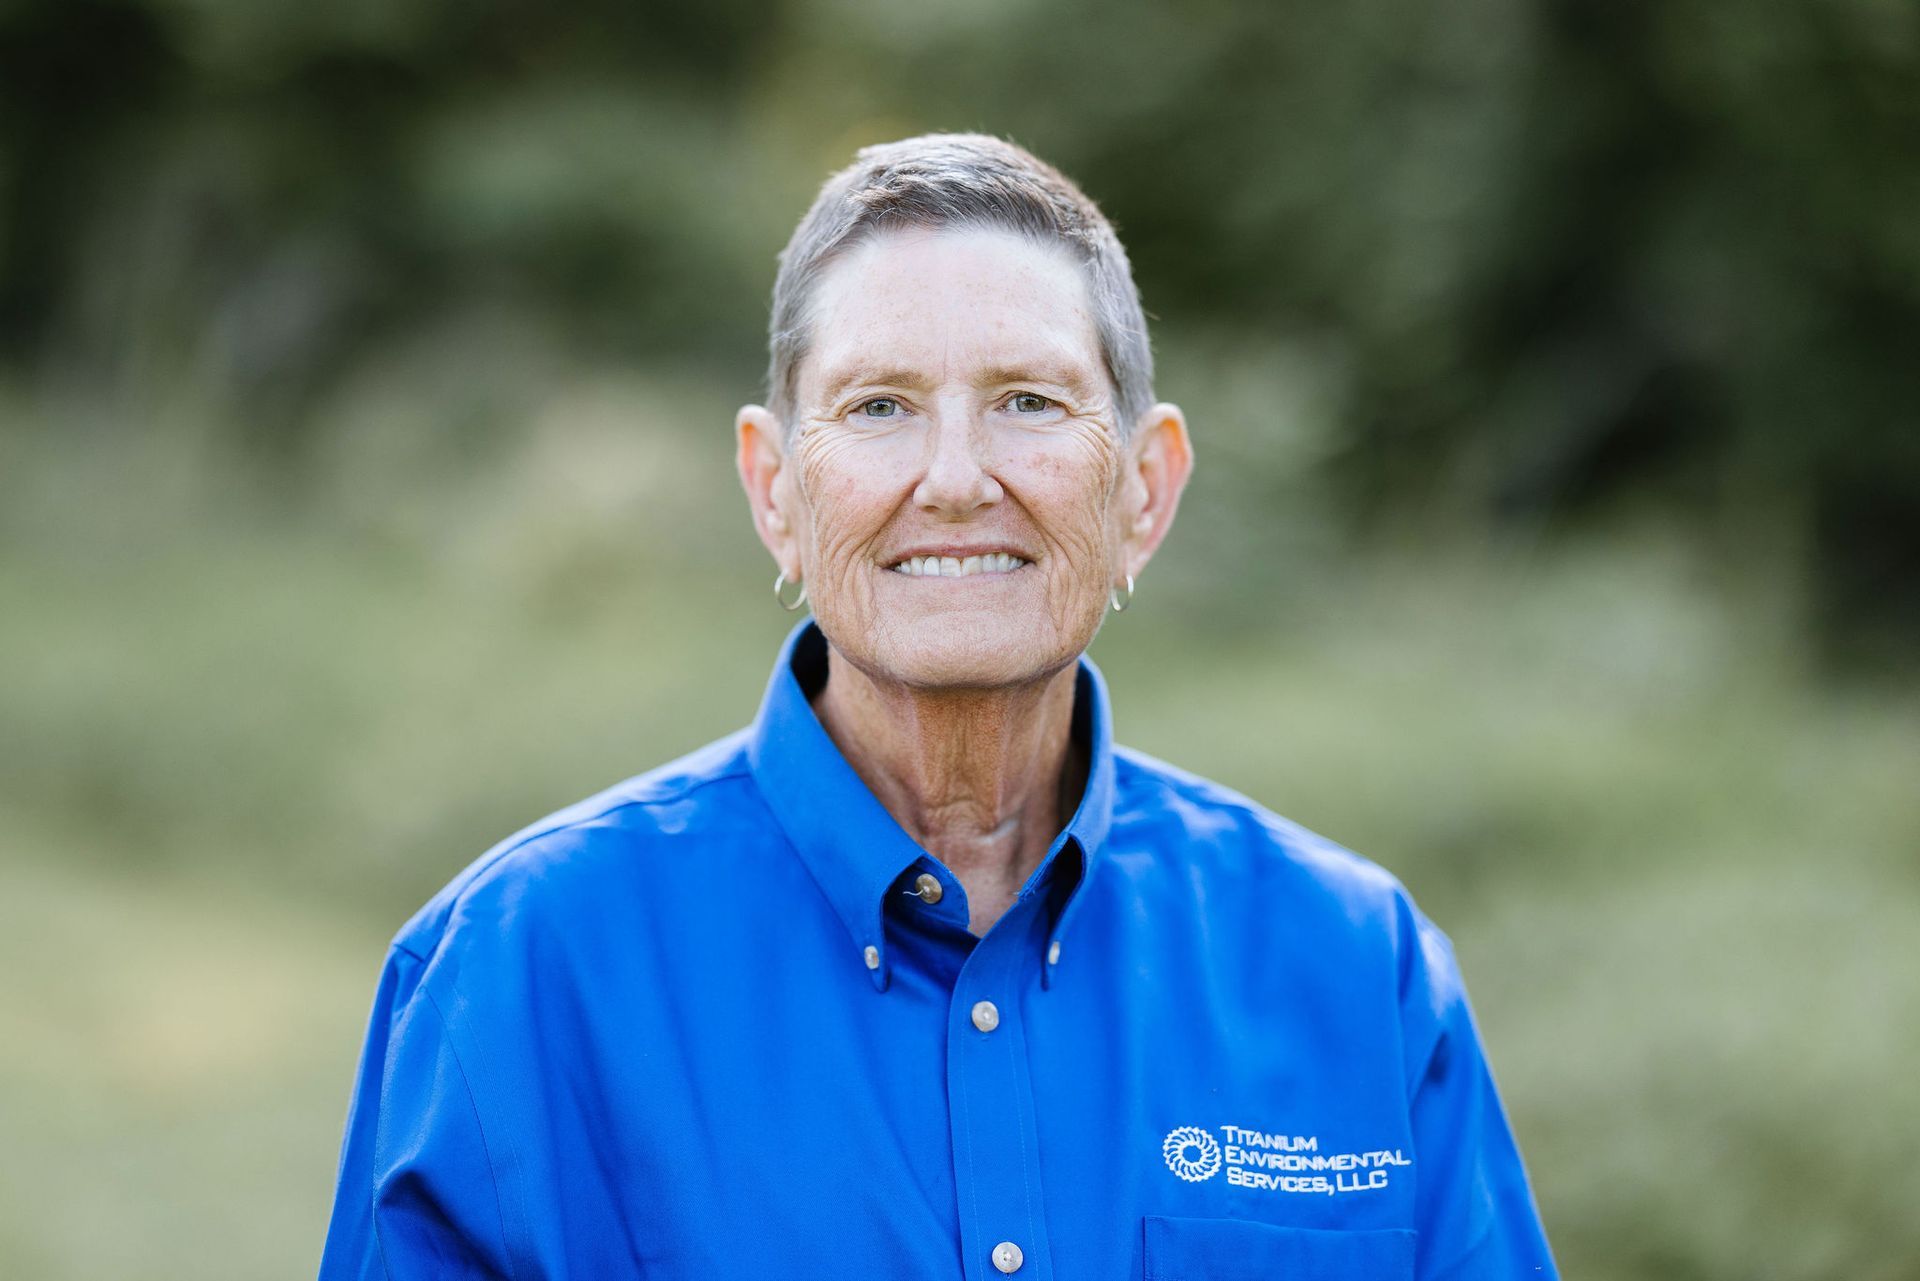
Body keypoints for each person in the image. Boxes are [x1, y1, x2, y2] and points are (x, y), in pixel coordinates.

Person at [317, 131, 1557, 1280]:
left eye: (1027, 400)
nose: (956, 481)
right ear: (775, 491)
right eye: (879, 408)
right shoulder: (518, 969)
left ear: (1143, 488)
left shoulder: (1356, 967)